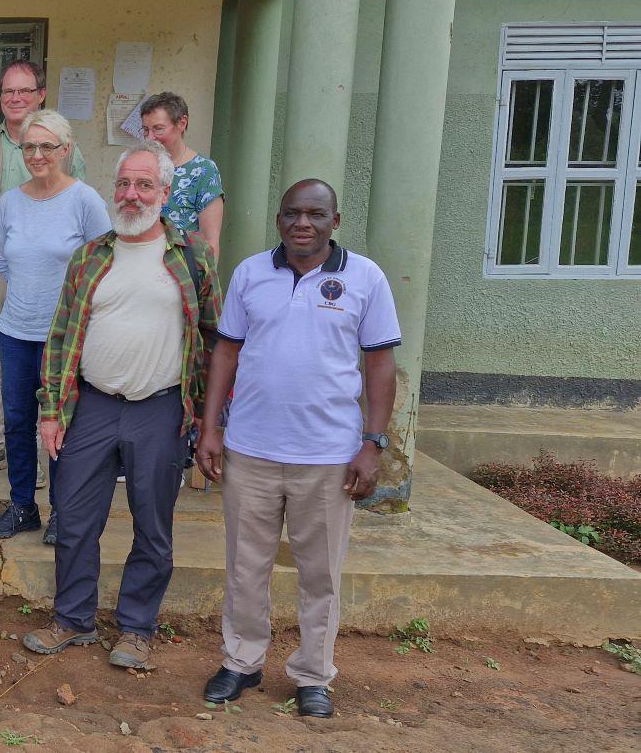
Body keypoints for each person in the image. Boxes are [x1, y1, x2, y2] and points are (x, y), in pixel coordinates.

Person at [196, 179, 400, 719]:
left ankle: (313, 675)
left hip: (329, 456)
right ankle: (241, 662)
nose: (301, 223)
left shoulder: (365, 278)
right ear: (279, 218)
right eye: (291, 213)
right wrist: (211, 427)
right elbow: (226, 352)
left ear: (335, 220)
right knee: (245, 566)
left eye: (314, 213)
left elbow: (379, 364)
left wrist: (373, 444)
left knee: (320, 574)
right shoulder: (250, 274)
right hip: (251, 450)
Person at [22, 140, 220, 671]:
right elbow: (60, 336)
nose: (131, 196)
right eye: (125, 185)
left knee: (152, 524)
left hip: (159, 410)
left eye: (144, 185)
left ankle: (136, 628)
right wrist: (51, 410)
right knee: (75, 517)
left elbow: (211, 337)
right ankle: (73, 619)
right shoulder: (91, 256)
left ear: (166, 191)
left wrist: (204, 416)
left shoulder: (193, 256)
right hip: (91, 407)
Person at [0, 60, 88, 481]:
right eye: (8, 91)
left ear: (40, 95)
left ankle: (39, 446)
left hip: (44, 278)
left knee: (42, 368)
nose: (15, 98)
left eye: (24, 91)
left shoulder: (65, 146)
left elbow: (82, 214)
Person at [0, 109, 109, 544]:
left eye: (47, 147)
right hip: (16, 331)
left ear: (66, 149)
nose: (37, 155)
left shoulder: (84, 201)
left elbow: (104, 265)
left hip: (65, 338)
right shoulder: (10, 202)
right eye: (29, 147)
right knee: (18, 421)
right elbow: (3, 260)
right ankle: (23, 506)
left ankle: (63, 508)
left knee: (62, 424)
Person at [139, 92, 224, 255]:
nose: (149, 138)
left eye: (158, 129)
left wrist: (206, 279)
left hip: (181, 269)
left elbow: (210, 242)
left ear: (182, 123)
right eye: (145, 130)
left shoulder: (204, 171)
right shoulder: (142, 166)